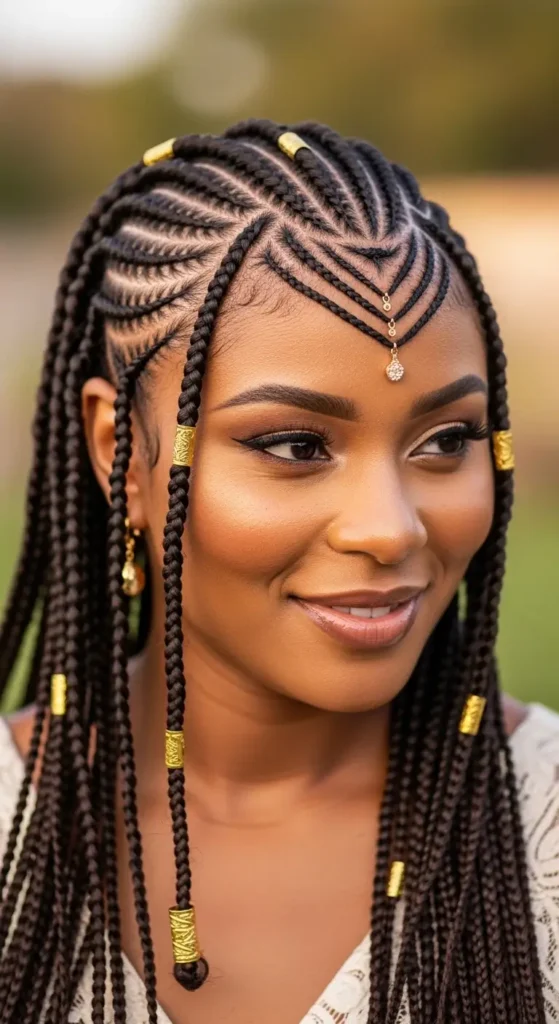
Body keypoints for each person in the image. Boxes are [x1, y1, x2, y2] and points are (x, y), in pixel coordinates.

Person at [0, 118, 556, 1024]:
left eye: (445, 440)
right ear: (121, 455)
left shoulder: (543, 821)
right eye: (295, 444)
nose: (390, 529)